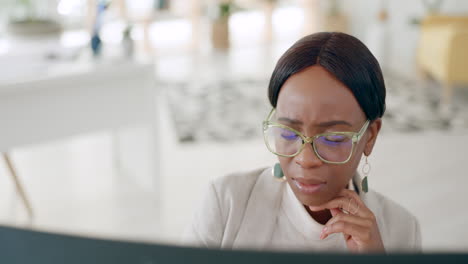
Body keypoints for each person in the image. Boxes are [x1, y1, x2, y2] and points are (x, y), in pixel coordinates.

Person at [183, 32, 421, 253]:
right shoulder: (227, 204)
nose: (305, 159)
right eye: (288, 133)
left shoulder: (401, 231)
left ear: (370, 136)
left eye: (333, 138)